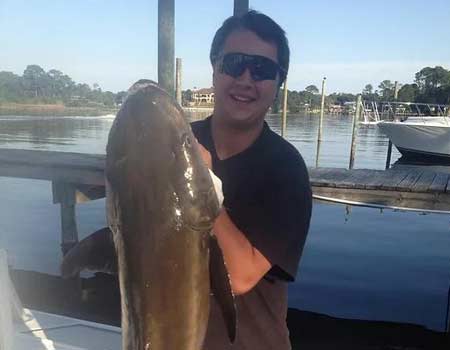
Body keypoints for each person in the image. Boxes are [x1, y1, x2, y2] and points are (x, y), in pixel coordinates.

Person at [190, 10, 312, 350]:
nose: (245, 79)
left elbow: (240, 276)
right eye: (234, 63)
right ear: (214, 67)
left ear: (278, 83)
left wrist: (200, 185)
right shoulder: (174, 144)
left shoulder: (286, 169)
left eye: (261, 69)